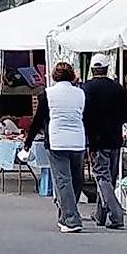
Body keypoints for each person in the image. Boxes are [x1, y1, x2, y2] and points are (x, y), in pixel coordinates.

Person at [81, 61, 127, 230]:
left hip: (97, 140)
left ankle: (116, 214)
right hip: (115, 138)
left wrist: (91, 143)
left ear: (92, 70)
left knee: (102, 176)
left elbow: (85, 117)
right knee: (110, 177)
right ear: (107, 69)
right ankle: (100, 214)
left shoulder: (86, 89)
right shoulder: (117, 88)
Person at [43, 61, 88, 235]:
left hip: (57, 140)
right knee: (76, 180)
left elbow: (42, 118)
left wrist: (29, 141)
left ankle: (70, 218)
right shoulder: (81, 94)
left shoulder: (47, 94)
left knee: (63, 180)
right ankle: (67, 214)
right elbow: (85, 115)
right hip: (77, 139)